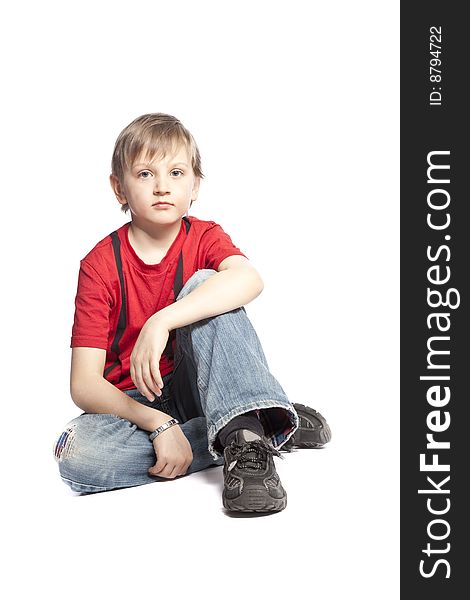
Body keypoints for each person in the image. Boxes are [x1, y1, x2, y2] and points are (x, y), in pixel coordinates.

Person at [53, 113, 331, 513]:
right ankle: (259, 422)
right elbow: (84, 384)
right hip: (134, 402)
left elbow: (249, 280)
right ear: (119, 188)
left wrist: (161, 320)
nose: (163, 186)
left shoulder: (204, 236)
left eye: (177, 172)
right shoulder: (99, 265)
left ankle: (249, 437)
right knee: (79, 456)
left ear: (195, 185)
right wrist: (159, 425)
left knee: (207, 283)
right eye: (145, 174)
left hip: (199, 385)